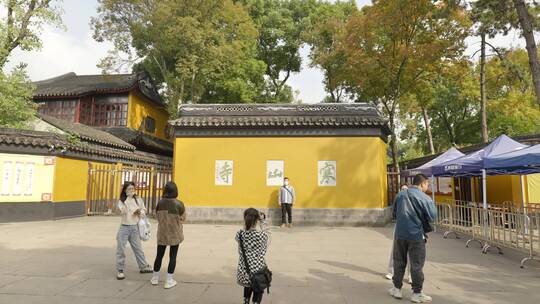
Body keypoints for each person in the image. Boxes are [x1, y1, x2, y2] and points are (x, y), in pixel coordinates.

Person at [389, 174, 437, 303]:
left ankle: (396, 289)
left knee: (398, 261)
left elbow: (393, 214)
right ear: (422, 184)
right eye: (427, 184)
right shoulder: (424, 198)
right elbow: (433, 216)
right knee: (416, 265)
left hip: (400, 234)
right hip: (416, 235)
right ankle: (417, 293)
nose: (427, 187)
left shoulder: (400, 195)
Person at [151, 182, 186, 289]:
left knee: (159, 256)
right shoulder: (179, 204)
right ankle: (169, 280)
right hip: (174, 234)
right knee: (173, 256)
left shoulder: (160, 203)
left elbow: (156, 216)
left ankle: (155, 278)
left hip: (162, 233)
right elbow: (183, 218)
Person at [115, 182, 153, 280]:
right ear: (125, 190)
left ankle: (143, 266)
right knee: (121, 249)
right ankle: (120, 270)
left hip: (135, 227)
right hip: (124, 227)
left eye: (133, 188)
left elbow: (144, 210)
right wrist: (127, 200)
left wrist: (140, 212)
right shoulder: (122, 201)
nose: (132, 191)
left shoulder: (138, 199)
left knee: (138, 248)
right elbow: (122, 212)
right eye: (129, 189)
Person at [236, 208, 270, 304]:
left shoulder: (239, 234)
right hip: (258, 270)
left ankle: (246, 301)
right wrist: (262, 221)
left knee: (248, 285)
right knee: (258, 288)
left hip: (244, 270)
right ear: (257, 220)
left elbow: (239, 251)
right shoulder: (261, 236)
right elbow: (268, 235)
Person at [385, 184, 411, 284]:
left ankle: (410, 275)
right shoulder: (398, 198)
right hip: (399, 226)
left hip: (411, 227)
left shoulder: (413, 199)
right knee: (395, 250)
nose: (404, 191)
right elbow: (394, 211)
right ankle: (391, 272)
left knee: (411, 252)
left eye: (406, 189)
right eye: (402, 189)